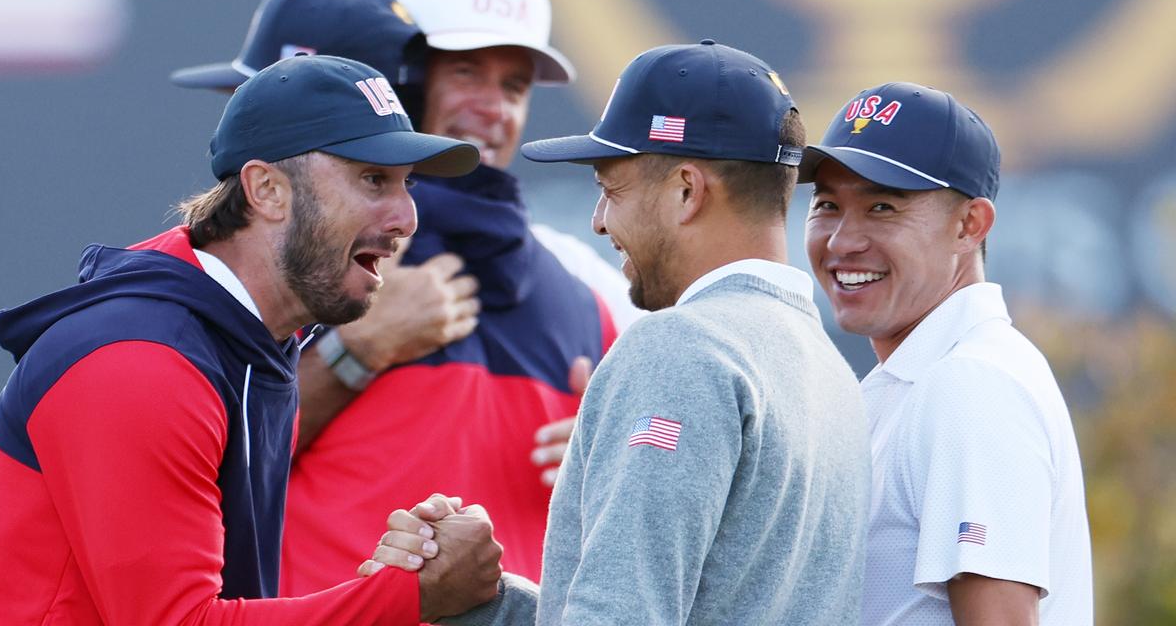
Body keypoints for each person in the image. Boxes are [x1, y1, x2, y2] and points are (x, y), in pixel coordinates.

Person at [0, 55, 501, 625]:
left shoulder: (252, 344)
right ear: (266, 189)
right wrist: (408, 597)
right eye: (373, 179)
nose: (407, 217)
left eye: (406, 184)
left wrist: (412, 567)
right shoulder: (141, 363)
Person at [168, 0, 633, 592]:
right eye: (465, 70)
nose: (492, 106)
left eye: (515, 84)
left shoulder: (591, 294)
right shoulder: (297, 263)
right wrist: (354, 351)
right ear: (402, 86)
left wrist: (613, 453)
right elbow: (197, 464)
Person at [368, 41, 872, 624]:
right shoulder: (835, 374)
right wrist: (484, 601)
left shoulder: (683, 346)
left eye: (612, 189)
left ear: (687, 190)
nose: (599, 220)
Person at [797, 82, 1094, 624]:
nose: (842, 240)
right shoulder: (928, 377)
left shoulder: (970, 384)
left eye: (882, 206)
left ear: (968, 225)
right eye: (827, 205)